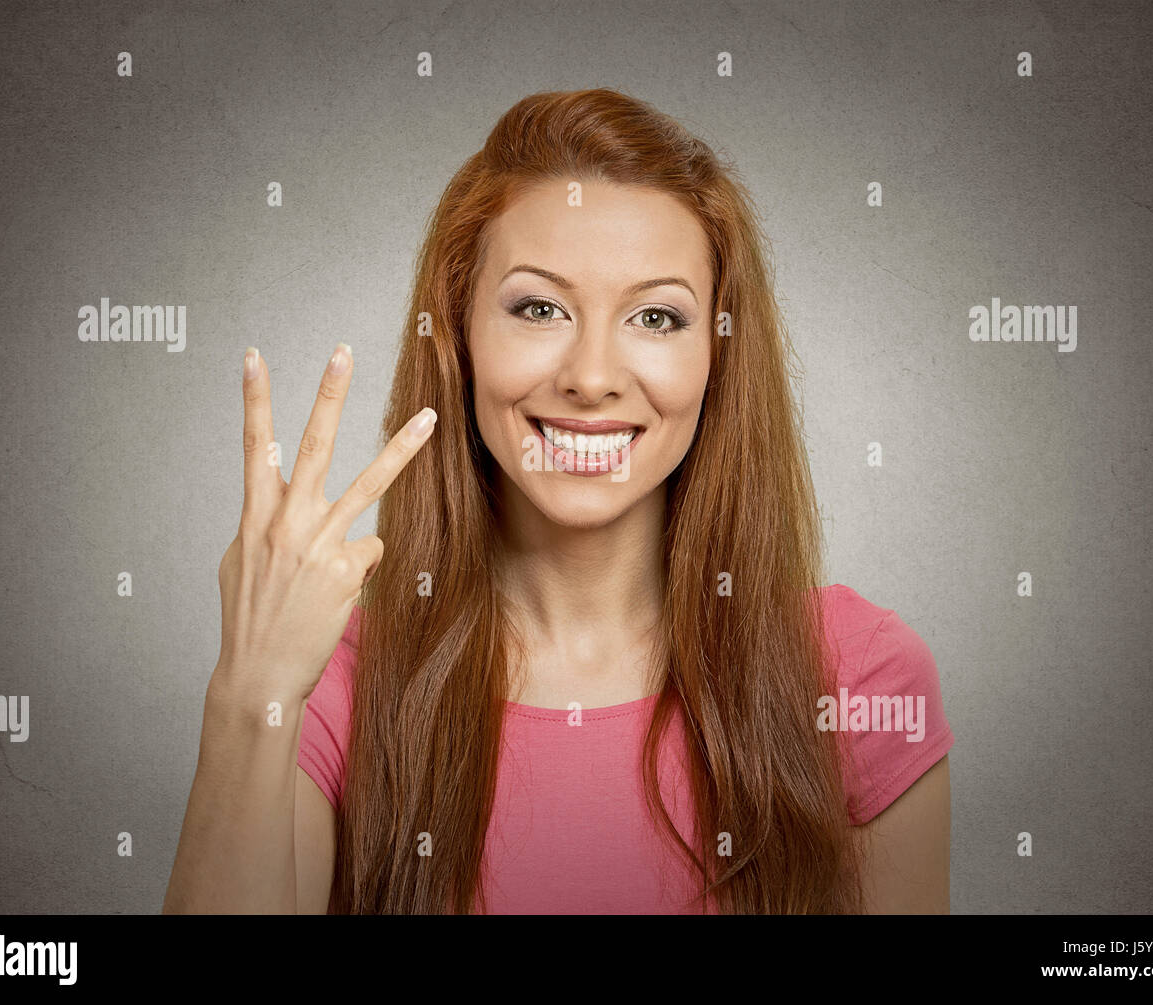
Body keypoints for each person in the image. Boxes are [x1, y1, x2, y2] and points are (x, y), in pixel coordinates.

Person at [163, 88, 953, 915]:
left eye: (656, 316)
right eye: (539, 307)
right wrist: (250, 687)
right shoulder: (331, 683)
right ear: (460, 335)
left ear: (717, 356)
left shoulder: (861, 675)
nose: (591, 375)